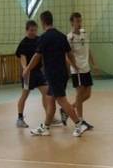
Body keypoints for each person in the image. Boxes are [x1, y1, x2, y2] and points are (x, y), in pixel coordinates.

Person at [22, 10, 89, 138]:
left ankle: (79, 124)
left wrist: (28, 69)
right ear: (51, 20)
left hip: (53, 74)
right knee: (50, 101)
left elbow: (37, 56)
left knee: (61, 100)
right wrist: (74, 67)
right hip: (62, 73)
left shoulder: (44, 38)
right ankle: (46, 127)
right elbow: (69, 54)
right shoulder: (61, 36)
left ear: (43, 22)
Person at [15, 20, 52, 129]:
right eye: (31, 30)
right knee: (24, 95)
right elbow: (22, 57)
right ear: (26, 30)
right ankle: (20, 119)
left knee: (47, 93)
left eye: (35, 30)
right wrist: (25, 69)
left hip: (38, 72)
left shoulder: (39, 40)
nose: (33, 32)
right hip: (28, 73)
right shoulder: (24, 43)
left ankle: (49, 116)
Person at [68, 12, 98, 129]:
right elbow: (67, 55)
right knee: (79, 94)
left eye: (80, 21)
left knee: (88, 94)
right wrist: (74, 66)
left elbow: (88, 49)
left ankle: (67, 109)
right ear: (72, 23)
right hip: (77, 70)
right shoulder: (69, 37)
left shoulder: (84, 33)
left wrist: (93, 63)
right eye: (77, 21)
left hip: (86, 68)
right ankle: (80, 121)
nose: (79, 23)